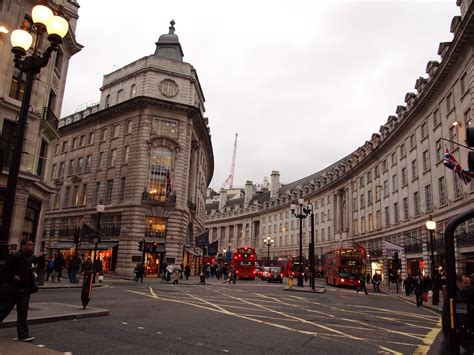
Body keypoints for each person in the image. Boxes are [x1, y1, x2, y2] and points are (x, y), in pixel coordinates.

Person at [0, 239, 37, 342]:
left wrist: (32, 285)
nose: (32, 247)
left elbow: (30, 273)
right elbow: (4, 271)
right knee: (3, 310)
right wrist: (13, 277)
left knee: (23, 313)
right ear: (22, 246)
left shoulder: (30, 258)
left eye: (32, 245)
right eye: (29, 245)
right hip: (12, 289)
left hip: (24, 290)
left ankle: (23, 335)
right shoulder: (13, 257)